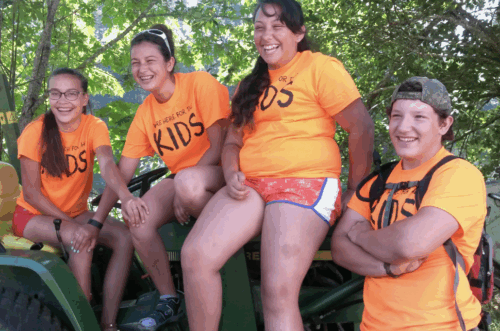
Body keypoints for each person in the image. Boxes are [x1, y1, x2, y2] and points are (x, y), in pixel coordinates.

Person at [180, 0, 374, 330]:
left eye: (277, 26)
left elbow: (361, 127)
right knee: (195, 256)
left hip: (304, 182)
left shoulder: (320, 68)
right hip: (251, 186)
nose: (266, 35)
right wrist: (230, 172)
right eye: (259, 28)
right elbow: (232, 143)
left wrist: (358, 189)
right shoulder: (249, 85)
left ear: (299, 33)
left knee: (277, 293)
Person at [95, 24, 230, 330]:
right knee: (138, 218)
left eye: (150, 61)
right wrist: (97, 221)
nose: (141, 69)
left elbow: (220, 144)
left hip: (224, 172)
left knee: (187, 184)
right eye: (135, 63)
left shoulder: (200, 84)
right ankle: (169, 297)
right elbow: (122, 172)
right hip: (186, 179)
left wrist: (184, 188)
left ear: (169, 63)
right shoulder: (145, 112)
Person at [331, 76, 486, 331]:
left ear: (444, 124)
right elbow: (339, 247)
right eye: (396, 116)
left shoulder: (459, 174)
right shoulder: (377, 181)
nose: (403, 127)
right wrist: (386, 268)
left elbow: (409, 244)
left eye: (419, 117)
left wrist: (360, 235)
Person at [13, 68, 142, 331]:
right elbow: (32, 194)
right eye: (55, 94)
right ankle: (85, 325)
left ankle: (108, 322)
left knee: (125, 238)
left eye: (71, 93)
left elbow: (107, 164)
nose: (63, 101)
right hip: (33, 215)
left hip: (75, 211)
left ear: (84, 98)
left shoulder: (94, 126)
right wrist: (77, 225)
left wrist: (123, 197)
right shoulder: (34, 132)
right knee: (80, 241)